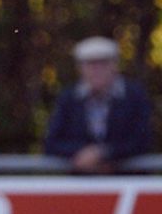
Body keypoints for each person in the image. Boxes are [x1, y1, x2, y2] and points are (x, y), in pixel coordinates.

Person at [44, 36, 153, 172]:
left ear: (115, 65)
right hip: (82, 185)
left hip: (128, 183)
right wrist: (82, 155)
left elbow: (143, 140)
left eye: (103, 63)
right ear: (79, 68)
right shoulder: (69, 98)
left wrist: (105, 154)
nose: (97, 70)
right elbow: (52, 143)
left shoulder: (133, 96)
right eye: (90, 64)